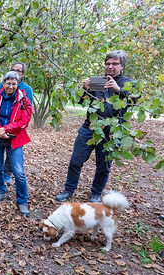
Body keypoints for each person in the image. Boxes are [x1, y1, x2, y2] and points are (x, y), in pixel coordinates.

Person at [56, 50, 135, 203]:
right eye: (108, 63)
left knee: (103, 166)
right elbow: (83, 101)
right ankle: (69, 190)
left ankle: (96, 194)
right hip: (89, 128)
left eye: (114, 64)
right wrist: (85, 88)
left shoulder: (128, 83)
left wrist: (118, 90)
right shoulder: (98, 80)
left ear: (122, 65)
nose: (110, 66)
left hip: (112, 132)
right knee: (75, 161)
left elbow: (134, 102)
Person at [0, 71, 32, 216]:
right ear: (3, 83)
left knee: (19, 171)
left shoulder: (23, 100)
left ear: (18, 84)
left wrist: (6, 129)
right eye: (8, 83)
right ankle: (0, 191)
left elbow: (24, 121)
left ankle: (22, 201)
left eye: (14, 83)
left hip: (14, 137)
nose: (10, 86)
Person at [0, 62, 33, 185]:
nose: (16, 72)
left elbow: (26, 115)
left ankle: (7, 174)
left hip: (15, 131)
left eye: (18, 71)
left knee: (15, 162)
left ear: (22, 74)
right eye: (13, 70)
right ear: (4, 83)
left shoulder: (26, 91)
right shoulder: (2, 87)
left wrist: (7, 129)